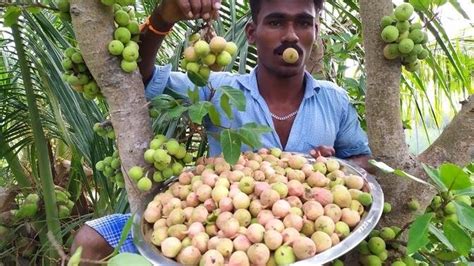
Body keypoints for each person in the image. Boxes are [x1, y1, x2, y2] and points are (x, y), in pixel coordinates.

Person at [71, 0, 371, 261]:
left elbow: (359, 158)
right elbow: (141, 79)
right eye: (276, 22)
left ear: (315, 32)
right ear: (252, 33)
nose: (291, 35)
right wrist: (163, 18)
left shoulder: (334, 99)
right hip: (218, 230)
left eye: (304, 23)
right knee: (90, 241)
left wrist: (336, 169)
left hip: (306, 233)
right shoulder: (218, 90)